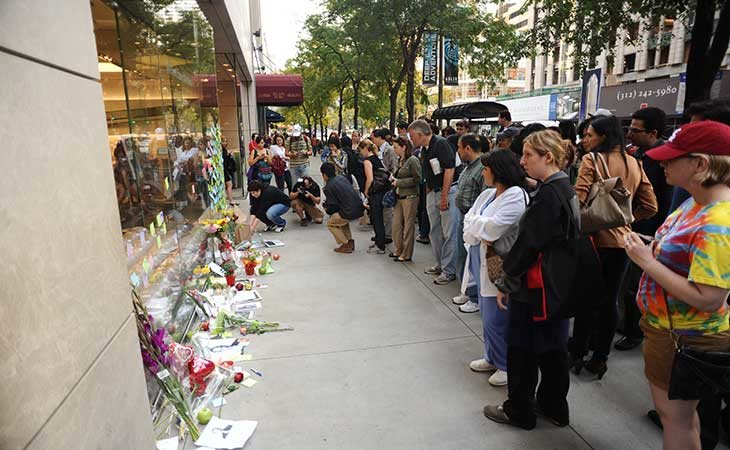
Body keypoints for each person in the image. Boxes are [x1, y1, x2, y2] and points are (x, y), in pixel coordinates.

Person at [624, 120, 730, 450]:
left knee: (676, 421)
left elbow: (710, 299)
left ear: (700, 164)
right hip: (671, 331)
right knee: (681, 419)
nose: (662, 163)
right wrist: (649, 247)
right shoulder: (695, 203)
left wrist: (646, 261)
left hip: (684, 337)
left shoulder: (717, 221)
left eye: (673, 157)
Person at [482, 130, 579, 430]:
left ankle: (519, 409)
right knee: (553, 349)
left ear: (547, 157)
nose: (521, 161)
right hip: (556, 286)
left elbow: (528, 245)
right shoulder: (563, 187)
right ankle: (553, 406)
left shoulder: (548, 196)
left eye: (528, 155)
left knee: (521, 350)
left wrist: (507, 282)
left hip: (535, 287)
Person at [570, 116, 658, 379]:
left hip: (594, 241)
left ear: (604, 137)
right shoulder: (634, 162)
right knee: (610, 301)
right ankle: (600, 357)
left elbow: (579, 197)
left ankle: (577, 351)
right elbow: (651, 205)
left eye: (590, 135)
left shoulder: (592, 160)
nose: (586, 140)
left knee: (586, 298)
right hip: (624, 243)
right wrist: (625, 219)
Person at [465, 149, 529, 387]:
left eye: (486, 168)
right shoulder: (488, 195)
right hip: (481, 257)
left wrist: (478, 226)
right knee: (487, 313)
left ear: (498, 171)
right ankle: (492, 356)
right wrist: (478, 227)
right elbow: (470, 220)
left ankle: (505, 364)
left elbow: (493, 229)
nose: (483, 172)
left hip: (500, 264)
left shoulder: (516, 196)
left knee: (498, 318)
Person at [614, 107, 672, 351]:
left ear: (653, 133)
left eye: (635, 131)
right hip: (636, 230)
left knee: (633, 284)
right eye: (629, 129)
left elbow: (658, 204)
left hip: (649, 233)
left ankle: (634, 332)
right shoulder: (640, 157)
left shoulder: (661, 162)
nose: (629, 135)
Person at [408, 119, 461, 285]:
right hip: (433, 192)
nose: (411, 139)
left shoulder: (441, 144)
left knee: (448, 233)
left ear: (420, 134)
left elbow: (449, 170)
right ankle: (440, 264)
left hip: (447, 191)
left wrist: (444, 196)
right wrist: (430, 193)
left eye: (411, 136)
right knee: (435, 231)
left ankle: (449, 270)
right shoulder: (424, 149)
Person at [452, 133, 486, 313]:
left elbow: (485, 196)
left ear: (467, 148)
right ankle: (466, 290)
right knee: (463, 256)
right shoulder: (467, 167)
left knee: (473, 260)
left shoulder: (481, 169)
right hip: (464, 218)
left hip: (474, 221)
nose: (457, 150)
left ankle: (474, 296)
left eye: (459, 147)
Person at [321, 162, 365, 253]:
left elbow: (333, 207)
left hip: (349, 211)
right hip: (359, 208)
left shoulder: (328, 186)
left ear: (324, 175)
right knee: (342, 222)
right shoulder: (342, 177)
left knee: (331, 223)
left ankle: (345, 244)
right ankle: (349, 241)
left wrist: (326, 208)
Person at [390, 137, 421, 262]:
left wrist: (399, 182)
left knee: (408, 227)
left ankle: (406, 253)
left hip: (410, 197)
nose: (394, 150)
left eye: (396, 147)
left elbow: (418, 179)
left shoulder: (412, 160)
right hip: (399, 196)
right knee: (396, 225)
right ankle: (399, 249)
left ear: (403, 147)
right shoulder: (400, 160)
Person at [359, 138, 387, 254]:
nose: (360, 153)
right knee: (379, 218)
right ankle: (380, 241)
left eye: (361, 150)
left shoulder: (367, 161)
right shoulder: (376, 158)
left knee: (376, 219)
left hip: (375, 192)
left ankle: (380, 245)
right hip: (382, 190)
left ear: (365, 149)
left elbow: (369, 179)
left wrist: (366, 191)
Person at [222, 136, 237, 204]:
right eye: (223, 141)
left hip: (224, 170)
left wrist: (229, 155)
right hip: (223, 170)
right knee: (229, 184)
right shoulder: (221, 150)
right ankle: (230, 200)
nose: (225, 143)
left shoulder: (224, 150)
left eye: (226, 141)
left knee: (228, 184)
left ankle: (230, 200)